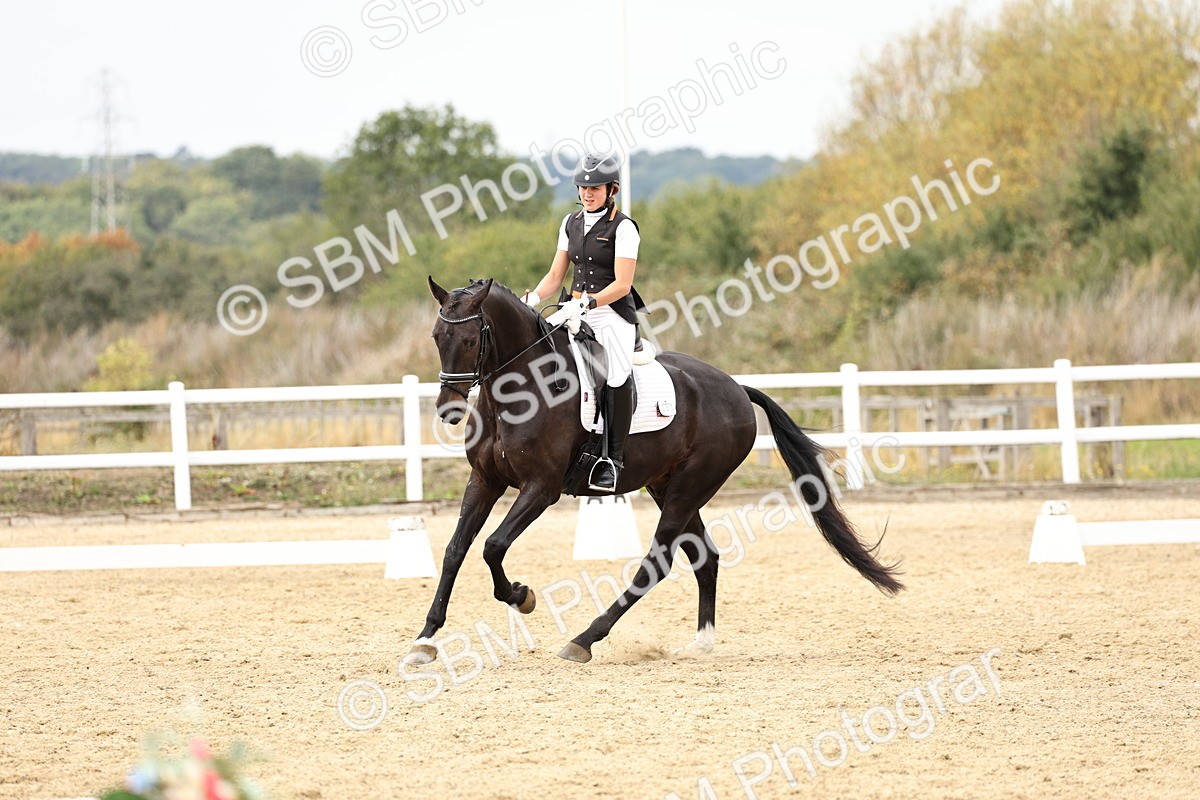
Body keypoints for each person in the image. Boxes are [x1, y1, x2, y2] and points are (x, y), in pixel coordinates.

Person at [522, 152, 645, 492]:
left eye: (595, 188)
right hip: (573, 307)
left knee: (617, 372)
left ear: (611, 189)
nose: (588, 194)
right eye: (582, 188)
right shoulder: (570, 223)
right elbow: (555, 274)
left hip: (611, 313)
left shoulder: (624, 228)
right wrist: (532, 299)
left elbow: (622, 283)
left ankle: (612, 459)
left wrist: (589, 302)